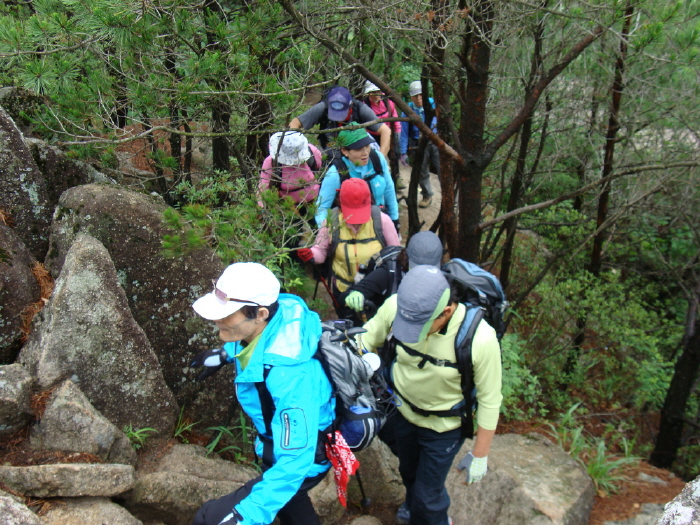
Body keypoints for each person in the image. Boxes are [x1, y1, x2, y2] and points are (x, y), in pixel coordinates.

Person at [190, 262, 334, 525]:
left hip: (303, 459)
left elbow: (295, 461)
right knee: (294, 508)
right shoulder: (275, 321)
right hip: (277, 447)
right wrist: (226, 354)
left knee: (207, 519)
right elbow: (260, 345)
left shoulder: (292, 377)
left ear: (260, 313)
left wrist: (247, 516)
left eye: (227, 314)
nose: (215, 320)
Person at [358, 265, 502, 525]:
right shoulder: (396, 306)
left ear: (447, 312)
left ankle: (431, 516)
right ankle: (413, 509)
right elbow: (365, 338)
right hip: (402, 412)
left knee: (428, 497)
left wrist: (480, 455)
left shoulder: (480, 339)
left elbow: (491, 400)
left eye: (419, 325)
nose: (409, 330)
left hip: (443, 428)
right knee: (409, 471)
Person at [297, 178, 399, 324]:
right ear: (340, 204)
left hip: (376, 292)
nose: (356, 220)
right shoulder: (331, 223)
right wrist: (311, 254)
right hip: (343, 290)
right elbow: (321, 251)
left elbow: (395, 256)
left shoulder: (382, 221)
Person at [314, 126, 399, 229]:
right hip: (350, 228)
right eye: (358, 149)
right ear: (345, 151)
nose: (365, 153)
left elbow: (389, 189)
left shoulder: (377, 159)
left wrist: (394, 219)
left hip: (380, 221)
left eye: (367, 146)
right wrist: (326, 233)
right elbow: (322, 208)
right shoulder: (335, 173)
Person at [344, 230, 443, 318]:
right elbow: (345, 296)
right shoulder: (387, 273)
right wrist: (355, 294)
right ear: (407, 258)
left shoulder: (440, 279)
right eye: (417, 267)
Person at [289, 86, 392, 157]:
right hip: (328, 149)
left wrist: (381, 158)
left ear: (350, 106)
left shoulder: (360, 109)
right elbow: (294, 123)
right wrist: (299, 149)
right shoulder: (322, 107)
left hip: (356, 150)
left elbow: (385, 131)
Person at [258, 131, 322, 212]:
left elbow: (319, 169)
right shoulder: (271, 162)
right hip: (288, 208)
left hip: (315, 202)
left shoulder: (312, 152)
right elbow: (264, 187)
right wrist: (264, 209)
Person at [400, 81, 440, 208]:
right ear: (411, 97)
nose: (418, 98)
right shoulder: (407, 110)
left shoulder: (434, 105)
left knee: (442, 169)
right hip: (418, 143)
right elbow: (404, 133)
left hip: (435, 141)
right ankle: (427, 195)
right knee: (422, 171)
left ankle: (450, 196)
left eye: (420, 95)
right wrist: (403, 152)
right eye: (415, 96)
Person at [362, 80, 403, 188]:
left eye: (379, 91)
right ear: (369, 93)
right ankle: (378, 176)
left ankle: (397, 178)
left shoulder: (388, 102)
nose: (378, 94)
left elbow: (395, 117)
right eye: (375, 92)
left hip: (389, 132)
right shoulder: (365, 105)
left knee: (393, 156)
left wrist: (397, 132)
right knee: (376, 156)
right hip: (372, 134)